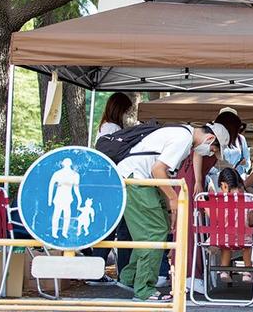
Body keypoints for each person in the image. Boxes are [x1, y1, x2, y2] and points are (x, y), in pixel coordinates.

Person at [116, 121, 229, 302]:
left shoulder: (182, 133)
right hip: (137, 180)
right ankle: (144, 289)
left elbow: (160, 173)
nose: (210, 154)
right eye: (213, 150)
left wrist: (170, 205)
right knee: (154, 232)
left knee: (157, 229)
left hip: (138, 179)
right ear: (209, 138)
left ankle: (130, 277)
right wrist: (173, 198)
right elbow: (158, 170)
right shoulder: (183, 139)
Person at [172, 109, 240, 293]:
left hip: (192, 180)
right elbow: (197, 153)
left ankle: (190, 274)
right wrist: (198, 181)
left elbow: (218, 161)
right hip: (192, 181)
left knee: (192, 227)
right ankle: (189, 275)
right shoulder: (211, 139)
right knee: (190, 228)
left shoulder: (214, 138)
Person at [89, 93, 134, 285]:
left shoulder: (104, 126)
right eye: (126, 111)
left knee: (108, 228)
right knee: (122, 229)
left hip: (105, 184)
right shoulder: (113, 128)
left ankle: (95, 271)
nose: (127, 114)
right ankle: (122, 273)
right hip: (115, 183)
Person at [216, 167, 253, 283]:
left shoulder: (220, 199)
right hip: (244, 237)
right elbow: (251, 220)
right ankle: (247, 272)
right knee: (247, 246)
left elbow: (217, 218)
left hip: (224, 238)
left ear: (224, 185)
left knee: (226, 245)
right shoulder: (248, 198)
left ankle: (224, 270)